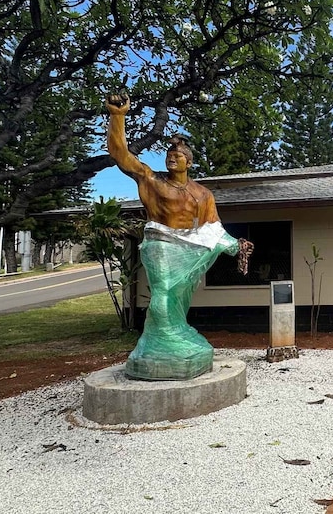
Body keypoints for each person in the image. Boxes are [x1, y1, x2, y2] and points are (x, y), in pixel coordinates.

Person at [105, 93, 253, 380]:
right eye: (169, 156)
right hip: (160, 243)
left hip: (187, 250)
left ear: (188, 162)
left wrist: (235, 245)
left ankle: (173, 333)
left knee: (178, 297)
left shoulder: (202, 194)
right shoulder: (152, 180)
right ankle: (164, 340)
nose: (172, 159)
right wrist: (117, 116)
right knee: (162, 293)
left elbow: (212, 229)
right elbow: (121, 155)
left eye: (178, 157)